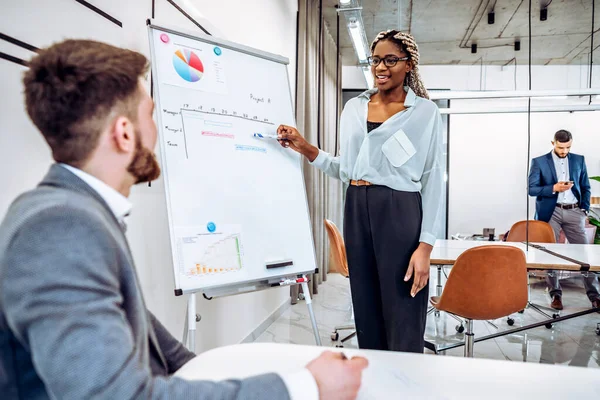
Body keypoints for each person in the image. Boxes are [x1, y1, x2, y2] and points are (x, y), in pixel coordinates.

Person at [0, 39, 368, 400]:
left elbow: (151, 340)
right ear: (124, 134)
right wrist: (304, 388)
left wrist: (211, 374)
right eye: (151, 116)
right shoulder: (61, 228)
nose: (157, 132)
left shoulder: (76, 210)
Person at [277, 30, 444, 353]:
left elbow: (432, 179)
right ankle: (375, 380)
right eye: (376, 60)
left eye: (391, 60)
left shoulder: (425, 113)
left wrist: (425, 246)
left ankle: (405, 384)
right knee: (365, 307)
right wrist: (306, 148)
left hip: (399, 210)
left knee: (402, 308)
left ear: (408, 65)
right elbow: (347, 169)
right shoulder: (353, 108)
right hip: (356, 206)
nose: (381, 67)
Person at [528, 129, 600, 310]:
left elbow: (585, 186)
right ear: (553, 143)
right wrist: (554, 188)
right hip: (550, 212)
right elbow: (532, 189)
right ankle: (555, 294)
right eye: (561, 147)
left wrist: (584, 208)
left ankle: (594, 296)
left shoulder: (579, 160)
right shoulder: (539, 162)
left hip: (575, 211)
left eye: (568, 147)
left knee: (584, 253)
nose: (564, 151)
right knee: (550, 253)